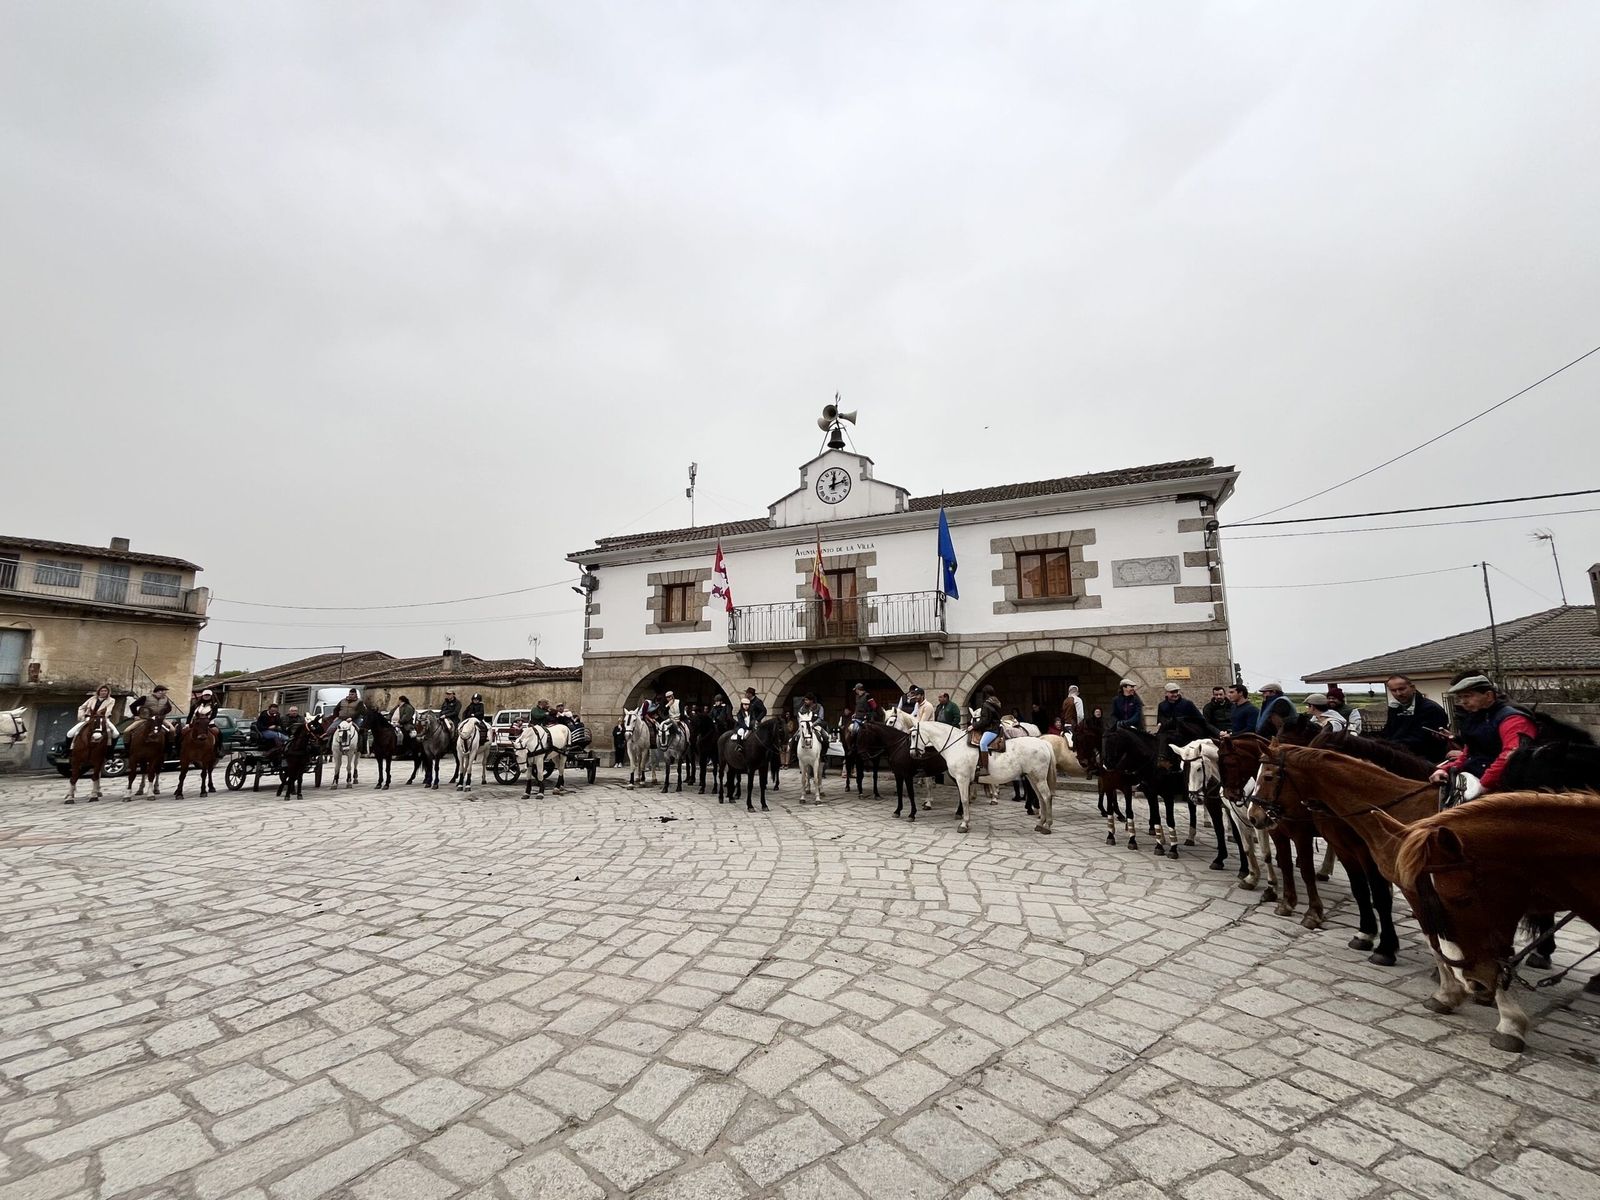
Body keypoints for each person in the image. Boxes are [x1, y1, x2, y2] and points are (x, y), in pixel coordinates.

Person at [1430, 674, 1536, 794]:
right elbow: (1470, 752)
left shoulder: (1512, 719)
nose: (1463, 702)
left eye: (1468, 696)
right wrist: (1446, 769)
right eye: (1460, 697)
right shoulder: (1476, 716)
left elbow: (1511, 755)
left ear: (1489, 695)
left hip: (1506, 782)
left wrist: (1484, 784)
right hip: (1476, 775)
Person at [1374, 675, 1448, 756]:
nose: (1398, 693)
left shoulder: (1431, 709)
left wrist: (1387, 745)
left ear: (1412, 687)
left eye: (1401, 689)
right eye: (1393, 690)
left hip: (1426, 760)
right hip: (1400, 756)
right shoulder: (1395, 707)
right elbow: (1388, 731)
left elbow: (1422, 739)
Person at [973, 685, 1004, 770]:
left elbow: (985, 720)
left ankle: (985, 768)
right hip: (996, 726)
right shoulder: (996, 702)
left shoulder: (986, 704)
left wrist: (973, 726)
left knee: (983, 743)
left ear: (985, 694)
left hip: (992, 729)